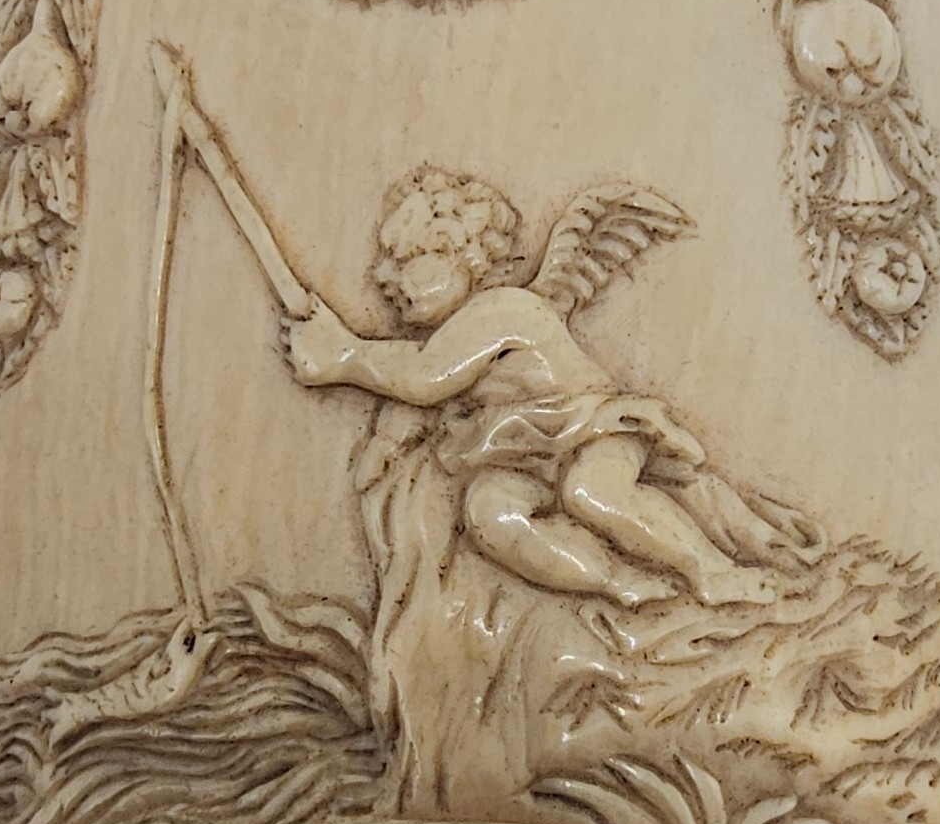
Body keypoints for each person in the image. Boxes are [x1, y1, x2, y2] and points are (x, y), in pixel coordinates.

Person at [281, 164, 820, 618]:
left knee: (592, 492)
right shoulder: (453, 332)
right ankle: (616, 580)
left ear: (462, 256)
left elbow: (424, 378)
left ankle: (711, 569)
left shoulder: (502, 309)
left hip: (588, 428)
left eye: (406, 260)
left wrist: (344, 356)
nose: (384, 277)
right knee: (491, 513)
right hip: (525, 453)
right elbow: (413, 397)